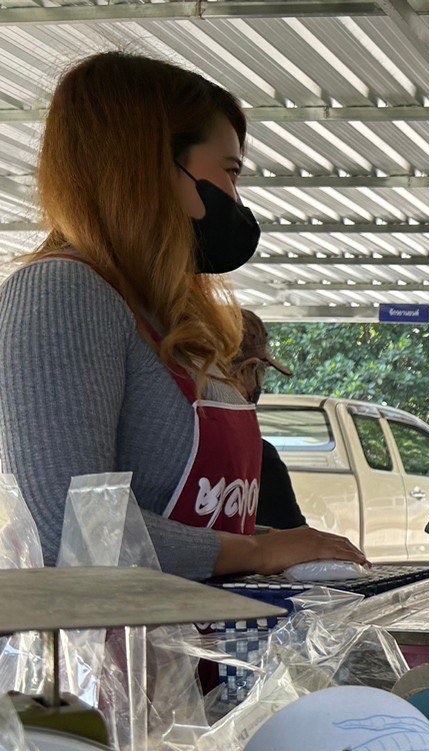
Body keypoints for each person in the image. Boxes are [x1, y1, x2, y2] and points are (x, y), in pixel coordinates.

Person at [0, 53, 364, 580]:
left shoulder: (154, 313)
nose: (236, 199)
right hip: (124, 637)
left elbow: (190, 523)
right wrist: (258, 553)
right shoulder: (62, 291)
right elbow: (68, 529)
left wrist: (280, 544)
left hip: (193, 631)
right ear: (152, 167)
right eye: (230, 172)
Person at [236, 310, 307, 531]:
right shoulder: (257, 457)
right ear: (247, 370)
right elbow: (294, 540)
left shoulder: (163, 441)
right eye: (263, 372)